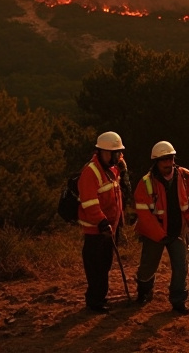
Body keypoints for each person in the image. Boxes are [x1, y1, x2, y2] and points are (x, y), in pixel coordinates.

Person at [133, 140, 189, 315]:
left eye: (170, 158)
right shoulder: (146, 183)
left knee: (181, 267)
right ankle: (144, 291)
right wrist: (159, 234)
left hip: (177, 232)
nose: (168, 163)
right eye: (164, 160)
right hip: (155, 234)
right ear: (156, 161)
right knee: (148, 266)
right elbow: (144, 215)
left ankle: (178, 301)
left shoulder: (185, 176)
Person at [77, 130, 126, 313]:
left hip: (108, 228)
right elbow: (90, 203)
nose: (118, 157)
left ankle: (100, 297)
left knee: (105, 264)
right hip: (96, 231)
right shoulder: (91, 172)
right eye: (115, 153)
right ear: (103, 152)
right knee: (96, 267)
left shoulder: (112, 170)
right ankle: (95, 301)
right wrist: (102, 221)